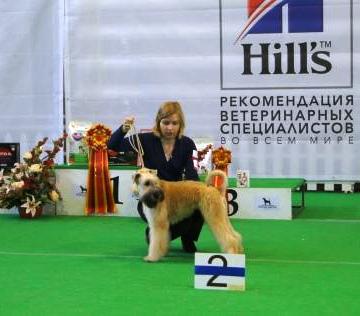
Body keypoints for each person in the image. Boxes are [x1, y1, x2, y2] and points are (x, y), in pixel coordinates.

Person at [108, 101, 204, 253]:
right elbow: (112, 146)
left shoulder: (187, 143)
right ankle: (155, 235)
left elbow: (192, 174)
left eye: (175, 123)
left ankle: (188, 238)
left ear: (181, 125)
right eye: (165, 122)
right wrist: (123, 129)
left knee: (199, 205)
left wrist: (200, 193)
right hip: (151, 199)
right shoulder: (144, 140)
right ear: (158, 122)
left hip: (177, 198)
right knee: (171, 219)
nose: (170, 128)